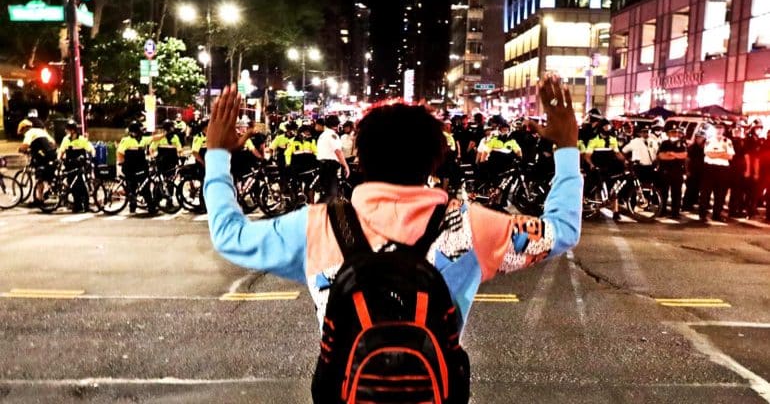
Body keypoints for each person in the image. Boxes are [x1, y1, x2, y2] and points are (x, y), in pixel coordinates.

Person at [203, 78, 581, 399]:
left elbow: (229, 235)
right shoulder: (469, 226)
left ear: (361, 157)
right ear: (435, 159)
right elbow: (562, 230)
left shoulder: (317, 225)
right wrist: (566, 147)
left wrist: (217, 154)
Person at [585, 119, 625, 221]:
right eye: (606, 127)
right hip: (598, 168)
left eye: (609, 127)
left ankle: (616, 212)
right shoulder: (593, 141)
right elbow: (587, 155)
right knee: (596, 187)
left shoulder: (612, 139)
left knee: (613, 190)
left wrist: (625, 160)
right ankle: (596, 209)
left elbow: (617, 153)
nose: (608, 129)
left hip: (610, 168)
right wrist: (591, 164)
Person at [699, 123, 734, 222]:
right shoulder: (709, 140)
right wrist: (723, 153)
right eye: (717, 128)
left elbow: (730, 156)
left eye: (721, 129)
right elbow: (709, 154)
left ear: (724, 130)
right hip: (710, 168)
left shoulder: (728, 141)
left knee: (721, 193)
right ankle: (702, 215)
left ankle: (716, 214)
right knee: (706, 193)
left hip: (723, 169)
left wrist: (717, 154)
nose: (719, 130)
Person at [316, 115, 350, 203]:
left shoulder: (323, 135)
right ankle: (315, 211)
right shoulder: (332, 135)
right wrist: (346, 166)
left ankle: (324, 213)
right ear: (336, 125)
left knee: (329, 193)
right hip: (329, 166)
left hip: (323, 165)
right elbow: (338, 151)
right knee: (331, 193)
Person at [657, 127, 687, 219]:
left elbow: (684, 155)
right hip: (665, 171)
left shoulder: (682, 143)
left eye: (677, 132)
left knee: (677, 193)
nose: (675, 134)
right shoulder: (664, 143)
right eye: (673, 132)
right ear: (668, 134)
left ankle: (675, 213)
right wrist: (676, 156)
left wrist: (672, 154)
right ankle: (662, 211)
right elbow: (661, 156)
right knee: (663, 193)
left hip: (677, 172)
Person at [728, 124, 751, 218]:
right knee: (734, 191)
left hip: (739, 170)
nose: (737, 132)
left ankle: (735, 210)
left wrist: (747, 170)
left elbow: (746, 157)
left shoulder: (742, 142)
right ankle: (733, 210)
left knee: (738, 191)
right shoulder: (729, 141)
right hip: (731, 169)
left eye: (739, 130)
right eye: (735, 130)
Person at [682, 130, 707, 212]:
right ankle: (686, 205)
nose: (699, 139)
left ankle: (695, 203)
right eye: (698, 137)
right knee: (690, 188)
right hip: (693, 171)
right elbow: (687, 160)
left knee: (701, 189)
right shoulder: (691, 148)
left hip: (703, 172)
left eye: (701, 137)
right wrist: (687, 171)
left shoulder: (706, 147)